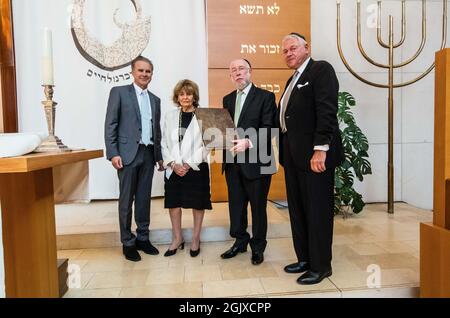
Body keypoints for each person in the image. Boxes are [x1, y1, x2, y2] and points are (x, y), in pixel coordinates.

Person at [278, 33, 344, 284]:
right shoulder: (292, 79)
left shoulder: (320, 70)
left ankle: (321, 266)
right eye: (285, 51)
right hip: (294, 158)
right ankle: (305, 258)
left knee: (317, 212)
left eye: (293, 48)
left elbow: (327, 111)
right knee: (298, 211)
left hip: (315, 157)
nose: (288, 53)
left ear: (307, 48)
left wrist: (321, 149)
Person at [104, 56, 164, 262]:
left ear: (151, 74)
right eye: (141, 71)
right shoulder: (119, 93)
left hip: (148, 154)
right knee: (126, 200)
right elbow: (110, 124)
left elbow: (157, 131)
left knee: (144, 199)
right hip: (127, 154)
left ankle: (143, 238)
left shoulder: (155, 100)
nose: (144, 74)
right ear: (133, 72)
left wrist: (159, 157)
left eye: (148, 71)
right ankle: (127, 242)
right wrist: (113, 153)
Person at [220, 59, 277, 265]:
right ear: (230, 76)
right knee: (236, 206)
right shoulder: (227, 99)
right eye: (233, 70)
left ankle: (258, 247)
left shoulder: (266, 97)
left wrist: (249, 142)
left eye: (241, 69)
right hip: (233, 162)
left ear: (250, 72)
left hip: (258, 162)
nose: (238, 72)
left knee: (258, 208)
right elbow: (226, 129)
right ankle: (240, 241)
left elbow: (271, 128)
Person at [161, 79, 212, 257]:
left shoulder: (204, 116)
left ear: (194, 96)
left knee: (197, 203)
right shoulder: (169, 116)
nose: (185, 97)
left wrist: (188, 164)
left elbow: (208, 145)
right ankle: (177, 238)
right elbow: (163, 142)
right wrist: (173, 164)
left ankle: (196, 239)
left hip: (196, 167)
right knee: (174, 203)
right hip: (174, 167)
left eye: (188, 93)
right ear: (177, 96)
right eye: (181, 94)